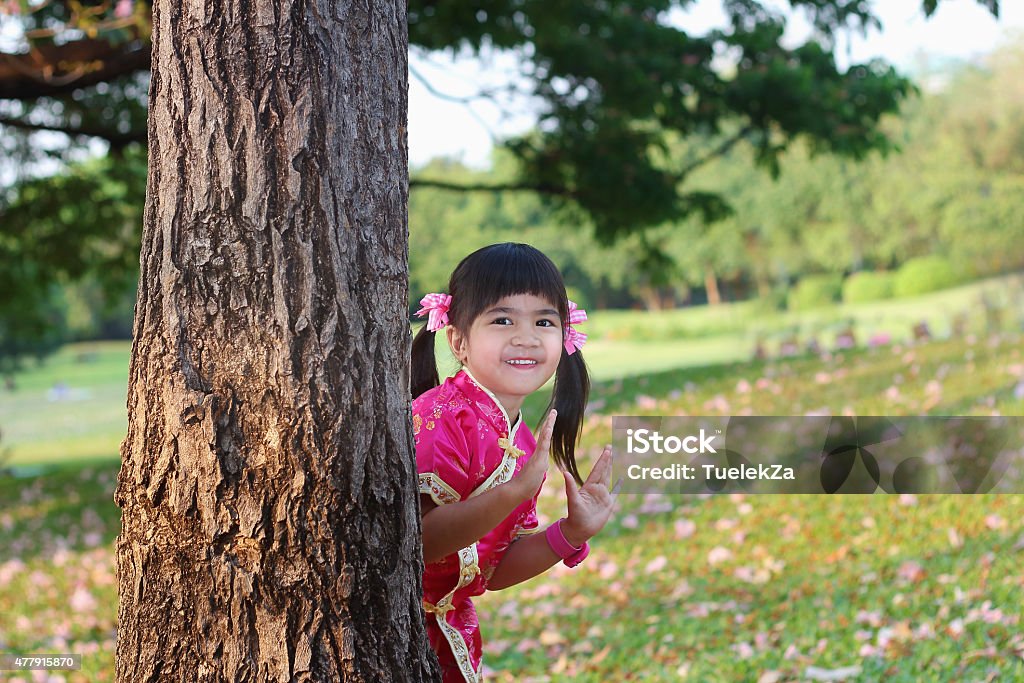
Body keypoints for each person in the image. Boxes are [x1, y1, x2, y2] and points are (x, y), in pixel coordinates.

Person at [410, 242, 615, 682]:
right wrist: (513, 493)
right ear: (457, 340)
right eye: (502, 320)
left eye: (544, 321)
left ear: (566, 337)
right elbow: (417, 545)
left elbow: (495, 570)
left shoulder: (521, 440)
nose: (526, 336)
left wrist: (571, 532)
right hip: (397, 626)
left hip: (452, 637)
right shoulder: (439, 417)